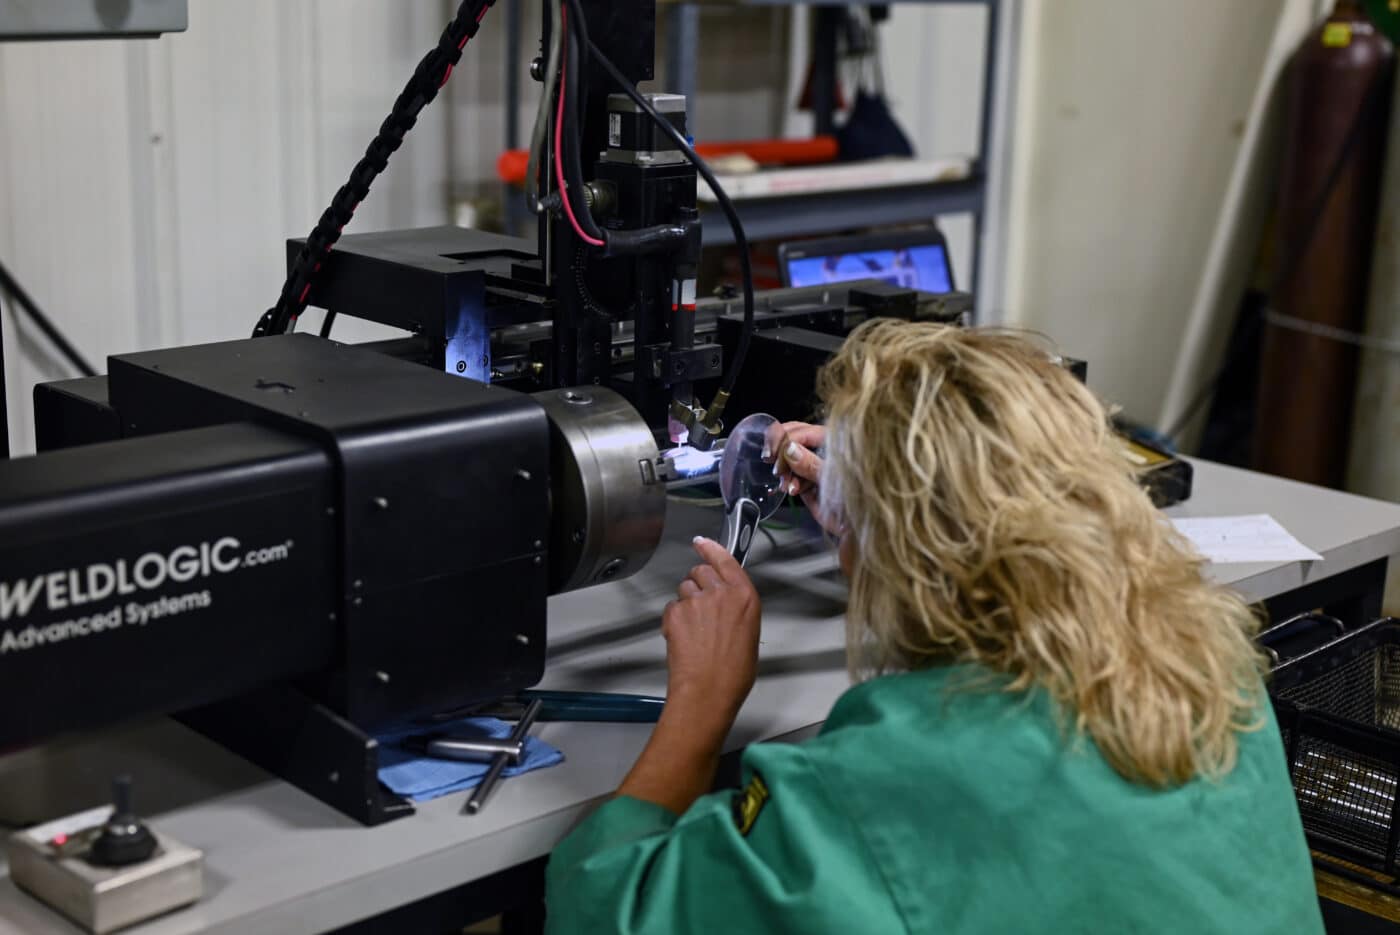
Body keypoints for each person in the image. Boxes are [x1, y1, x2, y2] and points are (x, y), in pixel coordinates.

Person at [545, 320, 1322, 934]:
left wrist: (701, 705)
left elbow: (604, 909)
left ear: (908, 549)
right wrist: (869, 522)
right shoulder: (1218, 668)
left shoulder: (879, 781)